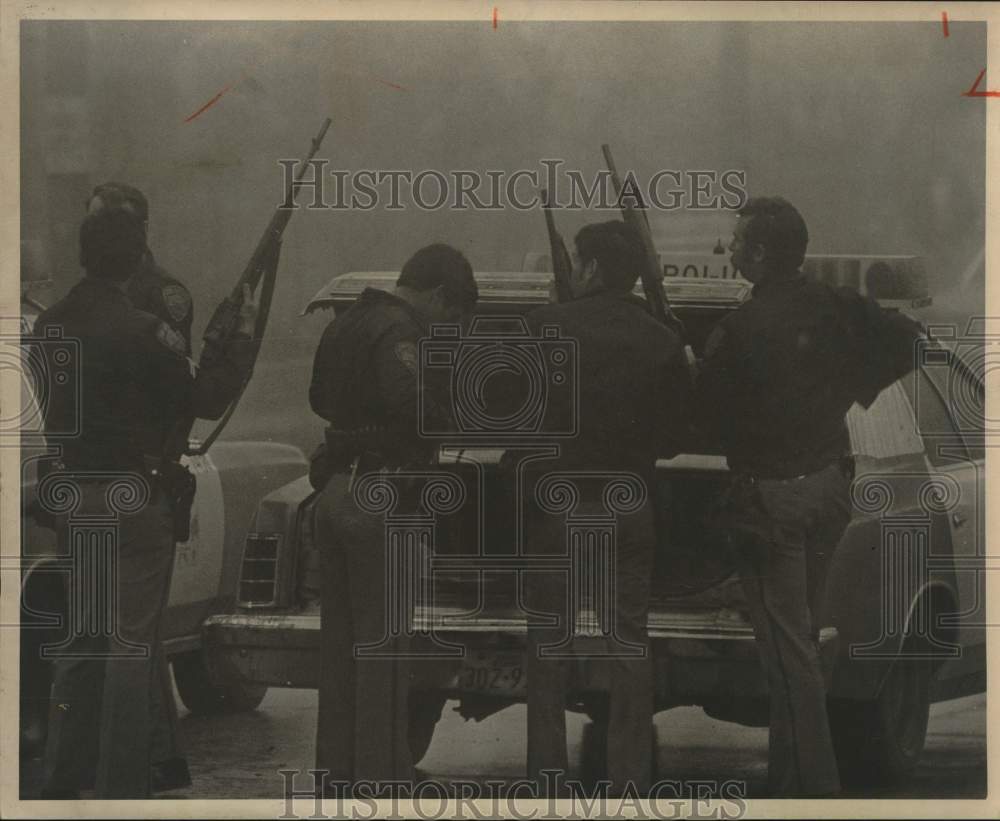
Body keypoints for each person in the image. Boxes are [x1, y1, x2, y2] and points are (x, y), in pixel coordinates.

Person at [696, 196, 923, 797]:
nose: (731, 249)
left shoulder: (740, 328)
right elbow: (909, 337)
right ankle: (792, 778)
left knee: (788, 656)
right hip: (829, 490)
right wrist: (847, 386)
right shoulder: (836, 305)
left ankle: (809, 793)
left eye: (739, 241)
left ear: (763, 254)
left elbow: (703, 417)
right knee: (802, 644)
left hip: (774, 501)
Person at [36, 207, 257, 799]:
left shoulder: (49, 326)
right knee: (130, 645)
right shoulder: (144, 330)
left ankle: (59, 781)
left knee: (81, 644)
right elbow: (203, 401)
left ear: (82, 257)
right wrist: (233, 339)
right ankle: (121, 788)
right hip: (133, 497)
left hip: (74, 493)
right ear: (137, 260)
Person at [523, 220, 693, 796]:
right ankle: (630, 781)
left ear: (591, 269)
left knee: (548, 647)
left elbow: (514, 418)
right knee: (628, 643)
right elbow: (673, 440)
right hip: (629, 503)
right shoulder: (661, 338)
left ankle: (546, 778)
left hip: (562, 502)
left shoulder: (545, 327)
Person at [309, 243, 478, 792]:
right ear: (438, 294)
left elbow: (317, 398)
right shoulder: (403, 330)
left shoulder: (346, 321)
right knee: (384, 650)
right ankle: (382, 781)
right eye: (452, 314)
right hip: (382, 494)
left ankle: (336, 774)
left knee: (339, 651)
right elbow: (414, 408)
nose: (448, 324)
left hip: (335, 488)